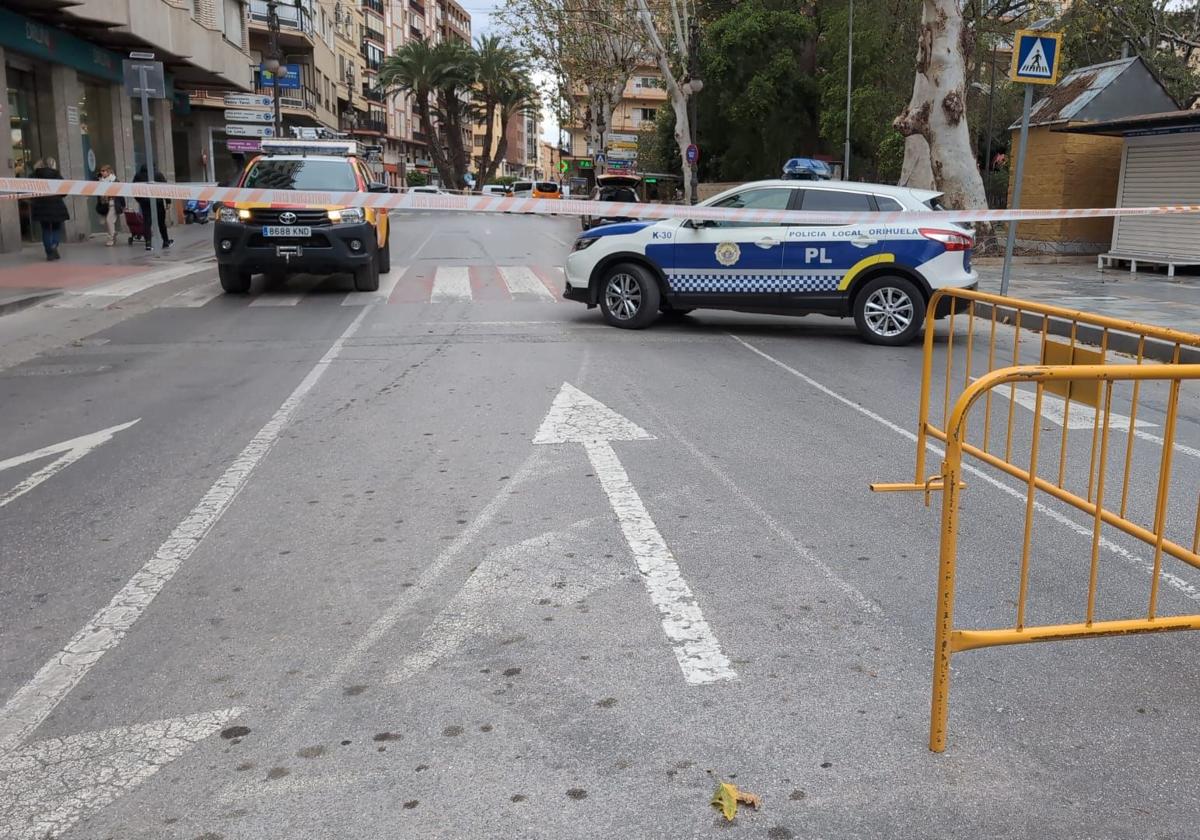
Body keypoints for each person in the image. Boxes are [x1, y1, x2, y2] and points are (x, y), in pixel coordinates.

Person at [30, 157, 69, 261]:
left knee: (46, 229)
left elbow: (29, 191)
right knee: (56, 227)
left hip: (40, 206)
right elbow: (64, 192)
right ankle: (54, 245)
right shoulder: (56, 174)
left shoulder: (34, 175)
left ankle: (49, 252)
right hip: (56, 204)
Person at [133, 164, 172, 250]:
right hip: (158, 202)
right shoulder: (158, 174)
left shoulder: (138, 175)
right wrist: (168, 201)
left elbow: (134, 189)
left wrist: (140, 200)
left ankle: (148, 244)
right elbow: (165, 188)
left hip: (145, 202)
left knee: (147, 223)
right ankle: (165, 241)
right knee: (161, 222)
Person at [97, 164, 125, 246]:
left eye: (103, 171)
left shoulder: (115, 180)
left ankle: (111, 239)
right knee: (106, 222)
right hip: (104, 204)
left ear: (108, 171)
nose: (102, 173)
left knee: (109, 220)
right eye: (101, 171)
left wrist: (123, 205)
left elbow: (121, 193)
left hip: (113, 202)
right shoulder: (100, 181)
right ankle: (113, 233)